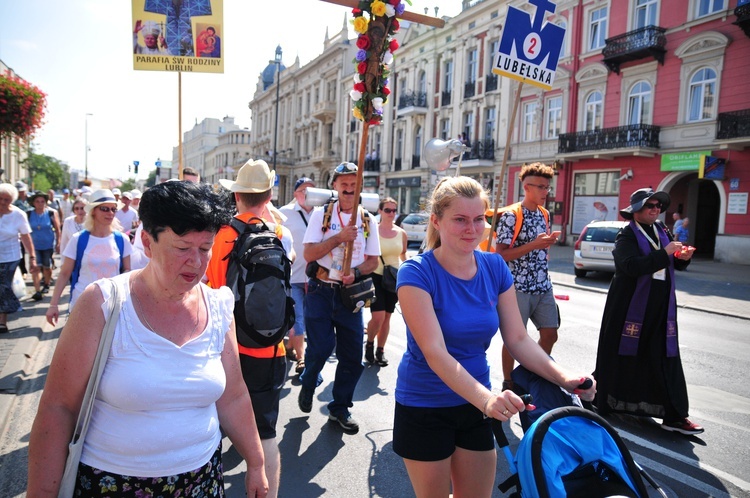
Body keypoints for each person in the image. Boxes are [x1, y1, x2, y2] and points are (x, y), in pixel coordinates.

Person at [29, 181, 269, 496]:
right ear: (147, 241)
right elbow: (58, 408)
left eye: (205, 248)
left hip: (202, 483)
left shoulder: (219, 305)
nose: (196, 262)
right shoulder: (103, 303)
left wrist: (256, 463)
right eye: (183, 248)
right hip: (113, 484)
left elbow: (234, 396)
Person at [394, 176, 596, 497]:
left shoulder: (495, 267)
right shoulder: (416, 272)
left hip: (474, 405)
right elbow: (435, 352)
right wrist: (488, 399)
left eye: (479, 219)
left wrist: (566, 378)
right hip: (425, 405)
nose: (471, 229)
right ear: (436, 220)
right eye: (460, 219)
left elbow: (518, 339)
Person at [205, 159, 293, 498]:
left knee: (211, 430)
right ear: (270, 194)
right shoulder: (281, 234)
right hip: (271, 349)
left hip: (225, 347)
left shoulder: (220, 235)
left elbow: (209, 288)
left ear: (237, 195)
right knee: (266, 433)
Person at [594, 188, 701, 435]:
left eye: (658, 206)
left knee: (665, 357)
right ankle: (603, 396)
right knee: (621, 355)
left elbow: (671, 262)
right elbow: (630, 266)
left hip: (660, 307)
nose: (655, 209)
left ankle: (675, 415)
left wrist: (682, 258)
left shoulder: (662, 230)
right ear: (636, 210)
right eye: (649, 205)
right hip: (629, 307)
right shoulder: (626, 235)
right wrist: (665, 253)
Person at [298, 162, 380, 435]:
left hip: (349, 296)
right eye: (343, 184)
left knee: (351, 356)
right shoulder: (322, 214)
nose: (348, 189)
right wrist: (339, 237)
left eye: (353, 185)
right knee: (320, 348)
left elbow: (372, 262)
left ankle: (340, 408)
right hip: (321, 291)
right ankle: (309, 380)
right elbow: (309, 254)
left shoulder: (368, 219)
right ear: (334, 186)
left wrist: (355, 272)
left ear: (360, 189)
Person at [496, 162, 560, 392]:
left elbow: (539, 248)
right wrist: (534, 245)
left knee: (550, 335)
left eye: (547, 187)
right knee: (514, 339)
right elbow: (500, 255)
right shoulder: (512, 215)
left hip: (543, 285)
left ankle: (532, 372)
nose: (546, 192)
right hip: (517, 287)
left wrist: (546, 243)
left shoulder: (544, 214)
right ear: (527, 187)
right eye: (541, 187)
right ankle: (508, 381)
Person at [46, 189, 131, 324]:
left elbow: (127, 271)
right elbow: (65, 273)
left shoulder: (122, 240)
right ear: (93, 211)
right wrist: (53, 305)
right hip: (82, 304)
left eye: (113, 209)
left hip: (112, 306)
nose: (110, 213)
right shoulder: (78, 240)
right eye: (105, 209)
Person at [279, 177, 316, 375]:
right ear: (295, 194)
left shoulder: (321, 214)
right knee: (298, 317)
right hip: (293, 277)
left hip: (315, 277)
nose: (308, 194)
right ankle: (302, 359)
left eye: (312, 190)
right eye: (304, 190)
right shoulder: (284, 213)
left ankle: (291, 347)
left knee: (309, 319)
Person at [365, 197, 407, 367]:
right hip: (376, 275)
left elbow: (404, 255)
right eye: (387, 210)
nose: (391, 213)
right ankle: (369, 343)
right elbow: (366, 254)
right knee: (378, 316)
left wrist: (409, 271)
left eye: (393, 210)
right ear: (380, 211)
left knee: (387, 317)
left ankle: (380, 351)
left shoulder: (401, 233)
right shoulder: (372, 230)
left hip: (394, 278)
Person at [0, 183, 37, 334]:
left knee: (3, 286)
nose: (2, 202)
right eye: (0, 199)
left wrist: (32, 257)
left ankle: (2, 321)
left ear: (12, 200)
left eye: (6, 200)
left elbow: (26, 237)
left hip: (10, 256)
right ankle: (12, 305)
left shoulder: (18, 215)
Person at [27, 191, 61, 301]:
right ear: (33, 203)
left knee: (47, 267)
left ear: (46, 202)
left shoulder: (51, 213)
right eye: (37, 201)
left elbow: (57, 228)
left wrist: (59, 242)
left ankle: (46, 284)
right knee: (36, 268)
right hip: (34, 245)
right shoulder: (28, 214)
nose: (40, 203)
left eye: (42, 201)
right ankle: (37, 291)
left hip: (48, 244)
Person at [13, 182, 31, 277]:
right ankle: (23, 270)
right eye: (19, 191)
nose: (21, 193)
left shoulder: (30, 200)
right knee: (22, 250)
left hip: (32, 226)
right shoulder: (15, 202)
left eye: (22, 191)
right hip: (20, 228)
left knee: (34, 249)